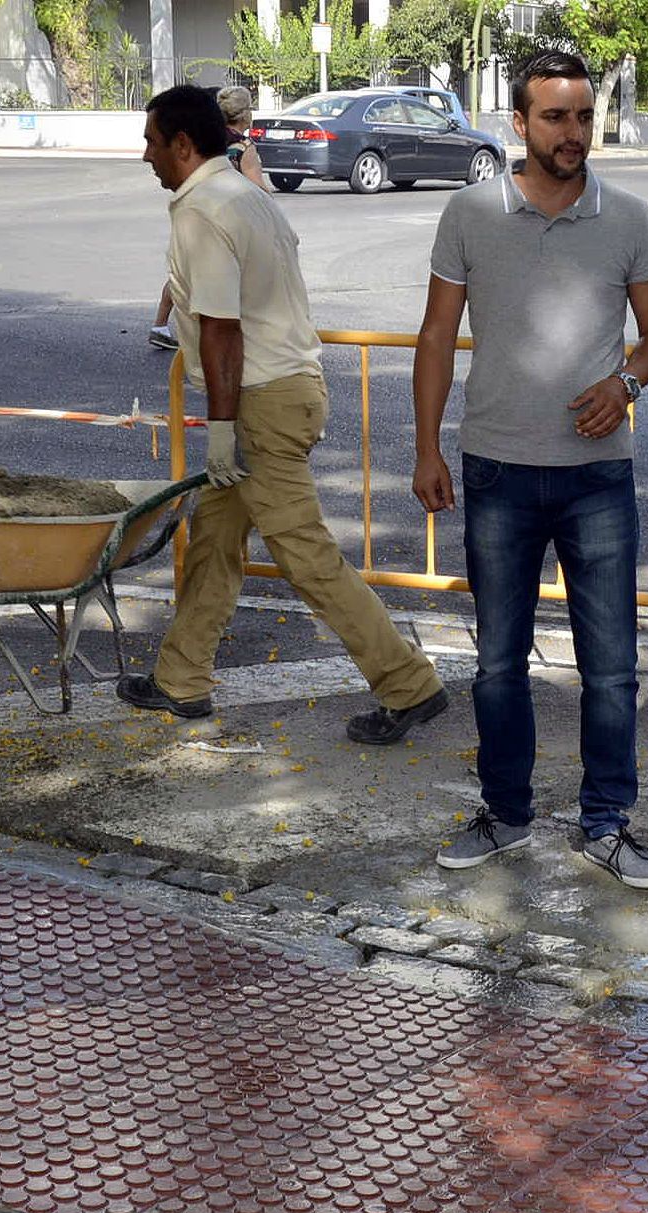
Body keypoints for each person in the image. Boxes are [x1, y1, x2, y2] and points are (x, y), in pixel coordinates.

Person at [410, 51, 648, 890]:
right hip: (497, 471)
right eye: (556, 117)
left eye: (584, 116)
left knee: (612, 667)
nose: (573, 133)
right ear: (519, 124)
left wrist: (625, 384)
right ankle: (506, 814)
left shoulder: (628, 216)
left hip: (598, 477)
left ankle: (607, 822)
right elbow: (434, 336)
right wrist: (426, 446)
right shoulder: (470, 212)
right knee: (498, 663)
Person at [120, 84, 450, 745]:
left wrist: (222, 431)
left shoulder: (205, 210)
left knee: (306, 556)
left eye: (152, 142)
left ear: (182, 145)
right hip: (281, 388)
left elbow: (221, 329)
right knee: (215, 543)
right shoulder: (245, 195)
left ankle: (408, 684)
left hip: (258, 403)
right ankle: (181, 678)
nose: (146, 155)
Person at [150, 85, 267, 351]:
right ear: (245, 114)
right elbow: (257, 190)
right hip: (234, 219)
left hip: (199, 209)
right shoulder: (243, 147)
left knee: (186, 272)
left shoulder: (210, 139)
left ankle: (160, 323)